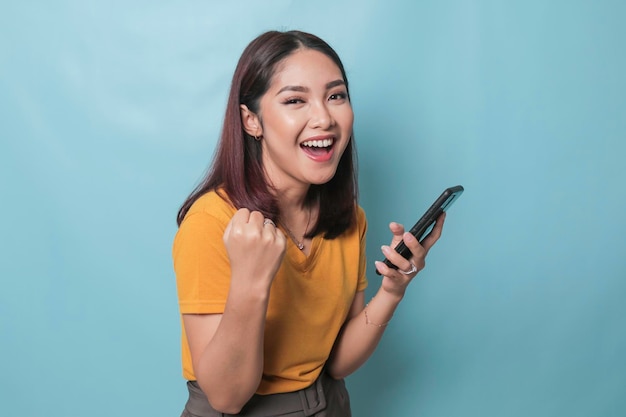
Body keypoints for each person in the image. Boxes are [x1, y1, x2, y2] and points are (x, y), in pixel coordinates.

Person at [172, 30, 445, 417]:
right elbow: (227, 398)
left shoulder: (350, 219)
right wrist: (250, 280)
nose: (324, 118)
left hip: (328, 403)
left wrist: (392, 291)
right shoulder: (211, 223)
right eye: (295, 100)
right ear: (251, 120)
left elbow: (337, 363)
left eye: (336, 96)